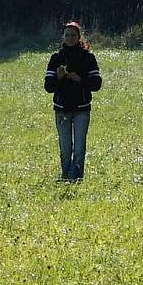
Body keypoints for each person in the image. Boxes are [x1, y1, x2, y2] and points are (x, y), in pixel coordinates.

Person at [44, 22, 103, 182]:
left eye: (73, 35)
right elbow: (48, 87)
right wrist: (59, 77)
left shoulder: (88, 57)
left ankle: (76, 177)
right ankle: (65, 176)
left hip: (82, 109)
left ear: (79, 37)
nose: (70, 38)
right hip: (62, 109)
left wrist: (80, 79)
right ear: (63, 37)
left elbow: (96, 84)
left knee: (79, 147)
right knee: (65, 147)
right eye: (67, 35)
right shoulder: (56, 58)